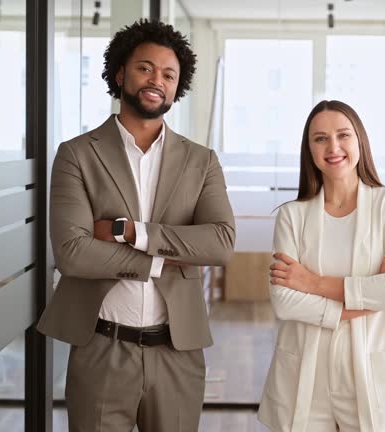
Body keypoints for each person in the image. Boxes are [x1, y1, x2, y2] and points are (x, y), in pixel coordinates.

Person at [37, 19, 236, 432]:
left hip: (178, 351)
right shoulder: (76, 155)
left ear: (177, 87)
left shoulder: (202, 161)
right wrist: (165, 261)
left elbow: (219, 243)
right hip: (102, 348)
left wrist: (132, 232)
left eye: (168, 74)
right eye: (145, 68)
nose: (156, 80)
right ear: (120, 73)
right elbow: (73, 253)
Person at [258, 100, 385, 431]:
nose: (333, 147)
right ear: (310, 150)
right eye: (320, 139)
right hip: (306, 377)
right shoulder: (293, 215)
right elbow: (285, 302)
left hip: (371, 377)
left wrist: (312, 283)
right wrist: (369, 295)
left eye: (343, 135)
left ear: (359, 139)